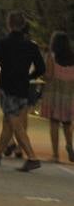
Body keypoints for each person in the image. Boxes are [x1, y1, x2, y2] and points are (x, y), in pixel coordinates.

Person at [0, 12, 45, 171]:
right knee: (8, 123)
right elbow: (41, 68)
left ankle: (32, 157)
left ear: (9, 24)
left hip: (8, 88)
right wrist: (29, 76)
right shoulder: (31, 46)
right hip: (23, 89)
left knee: (15, 124)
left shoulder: (3, 44)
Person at [41, 31, 74, 163]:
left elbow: (49, 76)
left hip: (54, 94)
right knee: (67, 123)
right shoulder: (73, 57)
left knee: (54, 123)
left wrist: (42, 75)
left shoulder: (51, 57)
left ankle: (55, 155)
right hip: (68, 95)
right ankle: (70, 146)